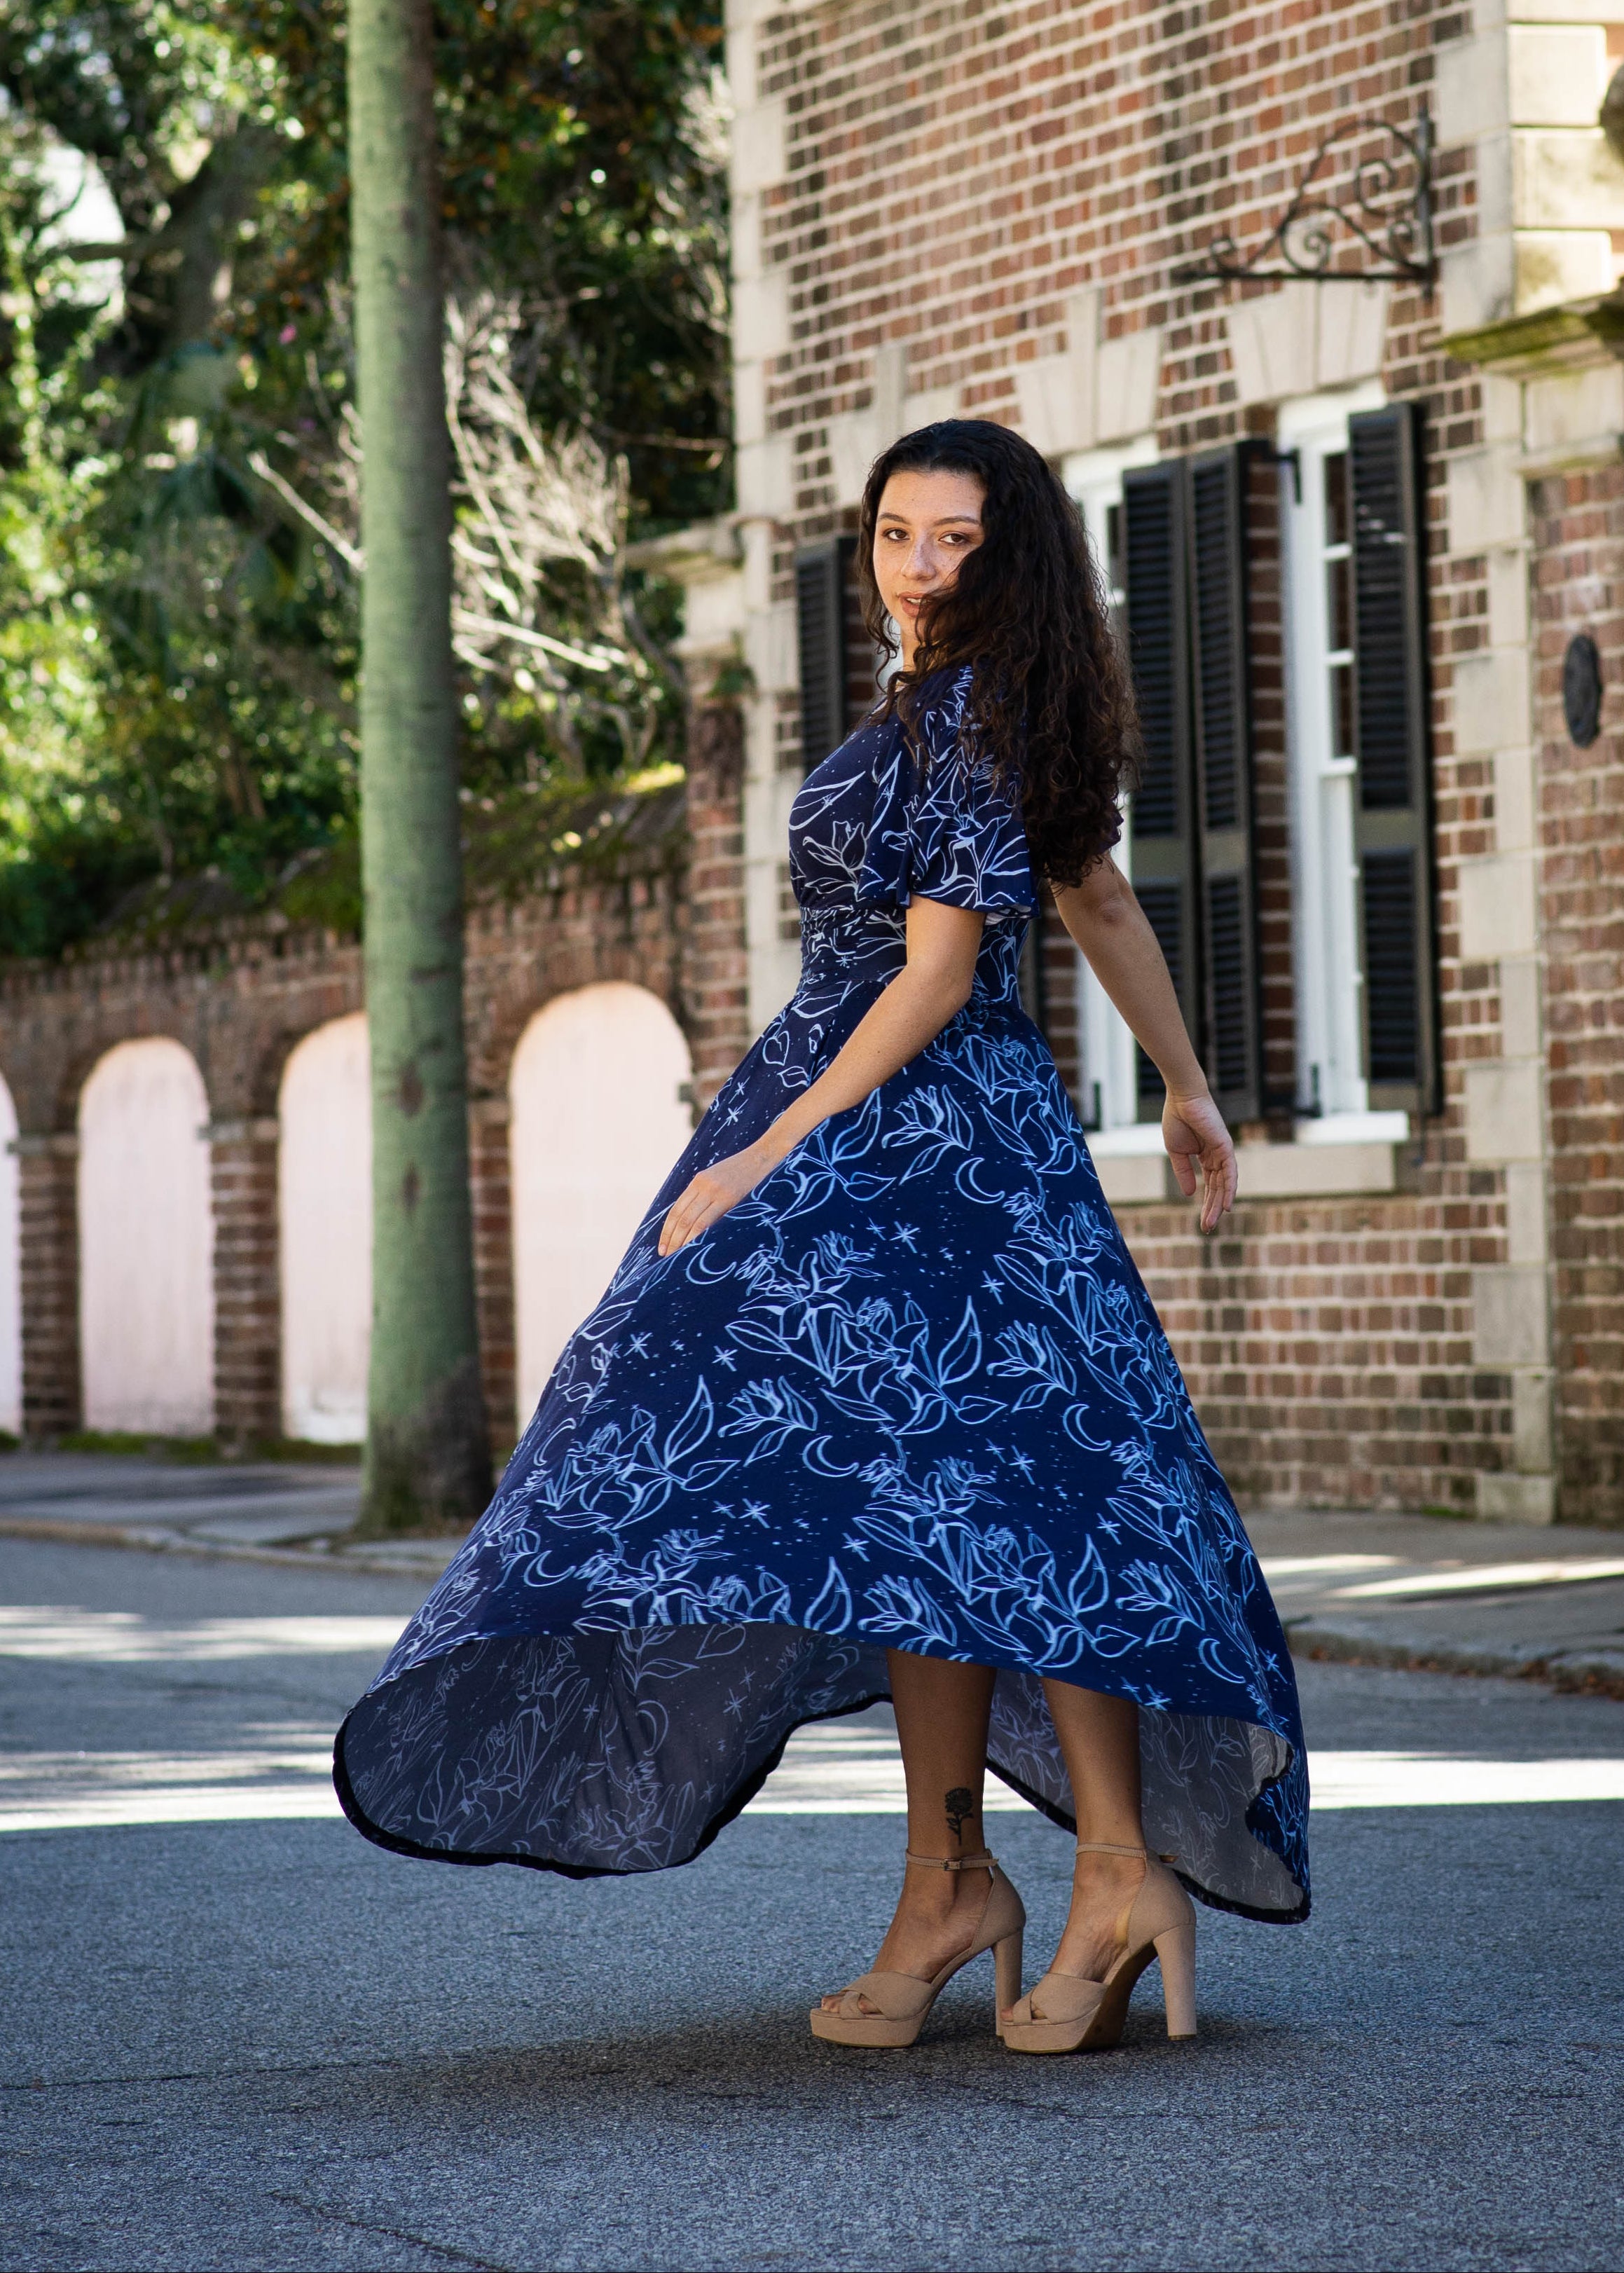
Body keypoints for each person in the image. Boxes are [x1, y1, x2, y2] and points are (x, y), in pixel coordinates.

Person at [335, 418, 1309, 2058]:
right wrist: (1189, 1085)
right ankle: (953, 1884)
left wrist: (771, 1147)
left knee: (1008, 1503)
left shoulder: (979, 712)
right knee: (916, 1507)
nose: (921, 568)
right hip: (902, 1126)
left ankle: (1121, 1872)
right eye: (896, 535)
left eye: (958, 541)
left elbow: (936, 970)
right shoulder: (964, 705)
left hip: (920, 1141)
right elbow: (1103, 895)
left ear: (1016, 557)